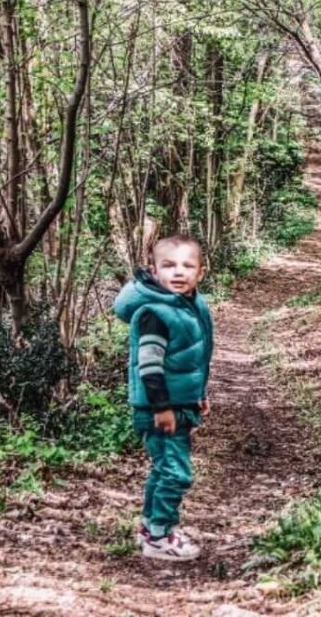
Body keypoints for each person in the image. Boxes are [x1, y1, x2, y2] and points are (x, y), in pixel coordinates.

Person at [113, 235, 213, 561]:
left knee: (162, 468)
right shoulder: (155, 313)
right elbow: (150, 366)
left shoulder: (189, 306)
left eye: (187, 265)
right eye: (169, 265)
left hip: (176, 405)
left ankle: (148, 527)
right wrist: (163, 408)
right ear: (154, 271)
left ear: (201, 271)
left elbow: (188, 360)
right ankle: (160, 536)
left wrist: (196, 396)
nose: (178, 272)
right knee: (176, 473)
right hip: (157, 409)